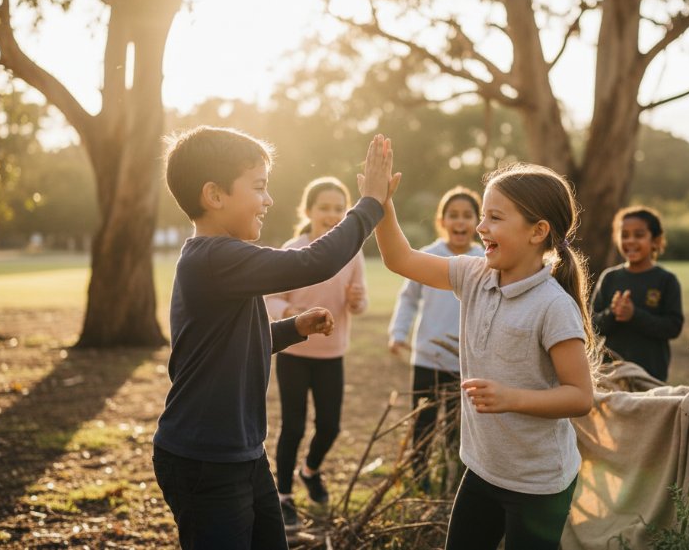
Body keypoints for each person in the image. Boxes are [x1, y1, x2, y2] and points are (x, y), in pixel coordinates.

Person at [152, 129, 392, 549]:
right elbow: (313, 261)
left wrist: (292, 328)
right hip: (204, 459)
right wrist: (369, 204)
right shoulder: (214, 257)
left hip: (244, 452)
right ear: (214, 195)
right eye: (260, 187)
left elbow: (233, 341)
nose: (269, 200)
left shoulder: (221, 258)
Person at [373, 144, 595, 550]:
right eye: (482, 216)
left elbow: (580, 397)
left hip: (538, 483)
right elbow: (399, 259)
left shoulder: (553, 306)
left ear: (537, 231)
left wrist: (512, 397)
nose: (480, 228)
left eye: (495, 218)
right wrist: (381, 203)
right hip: (481, 469)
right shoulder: (474, 276)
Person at [265, 176, 366, 529]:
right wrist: (288, 315)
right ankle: (284, 497)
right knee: (292, 425)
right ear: (307, 211)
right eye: (324, 207)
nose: (332, 214)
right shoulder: (293, 248)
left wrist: (356, 301)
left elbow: (360, 300)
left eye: (340, 208)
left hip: (332, 354)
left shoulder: (351, 253)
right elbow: (271, 297)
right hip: (294, 353)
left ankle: (310, 471)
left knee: (330, 426)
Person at [387, 186, 484, 491]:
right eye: (453, 215)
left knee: (460, 428)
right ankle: (420, 479)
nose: (460, 222)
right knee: (424, 423)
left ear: (477, 223)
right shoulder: (427, 256)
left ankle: (453, 481)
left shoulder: (484, 259)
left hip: (465, 362)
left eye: (467, 216)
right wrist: (399, 333)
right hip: (428, 356)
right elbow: (408, 299)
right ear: (441, 221)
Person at [589, 206, 684, 381]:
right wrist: (612, 312)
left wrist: (634, 315)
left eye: (639, 235)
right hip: (611, 371)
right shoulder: (609, 278)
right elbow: (593, 324)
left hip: (651, 373)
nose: (630, 241)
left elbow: (673, 327)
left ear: (655, 240)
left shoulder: (666, 280)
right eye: (624, 235)